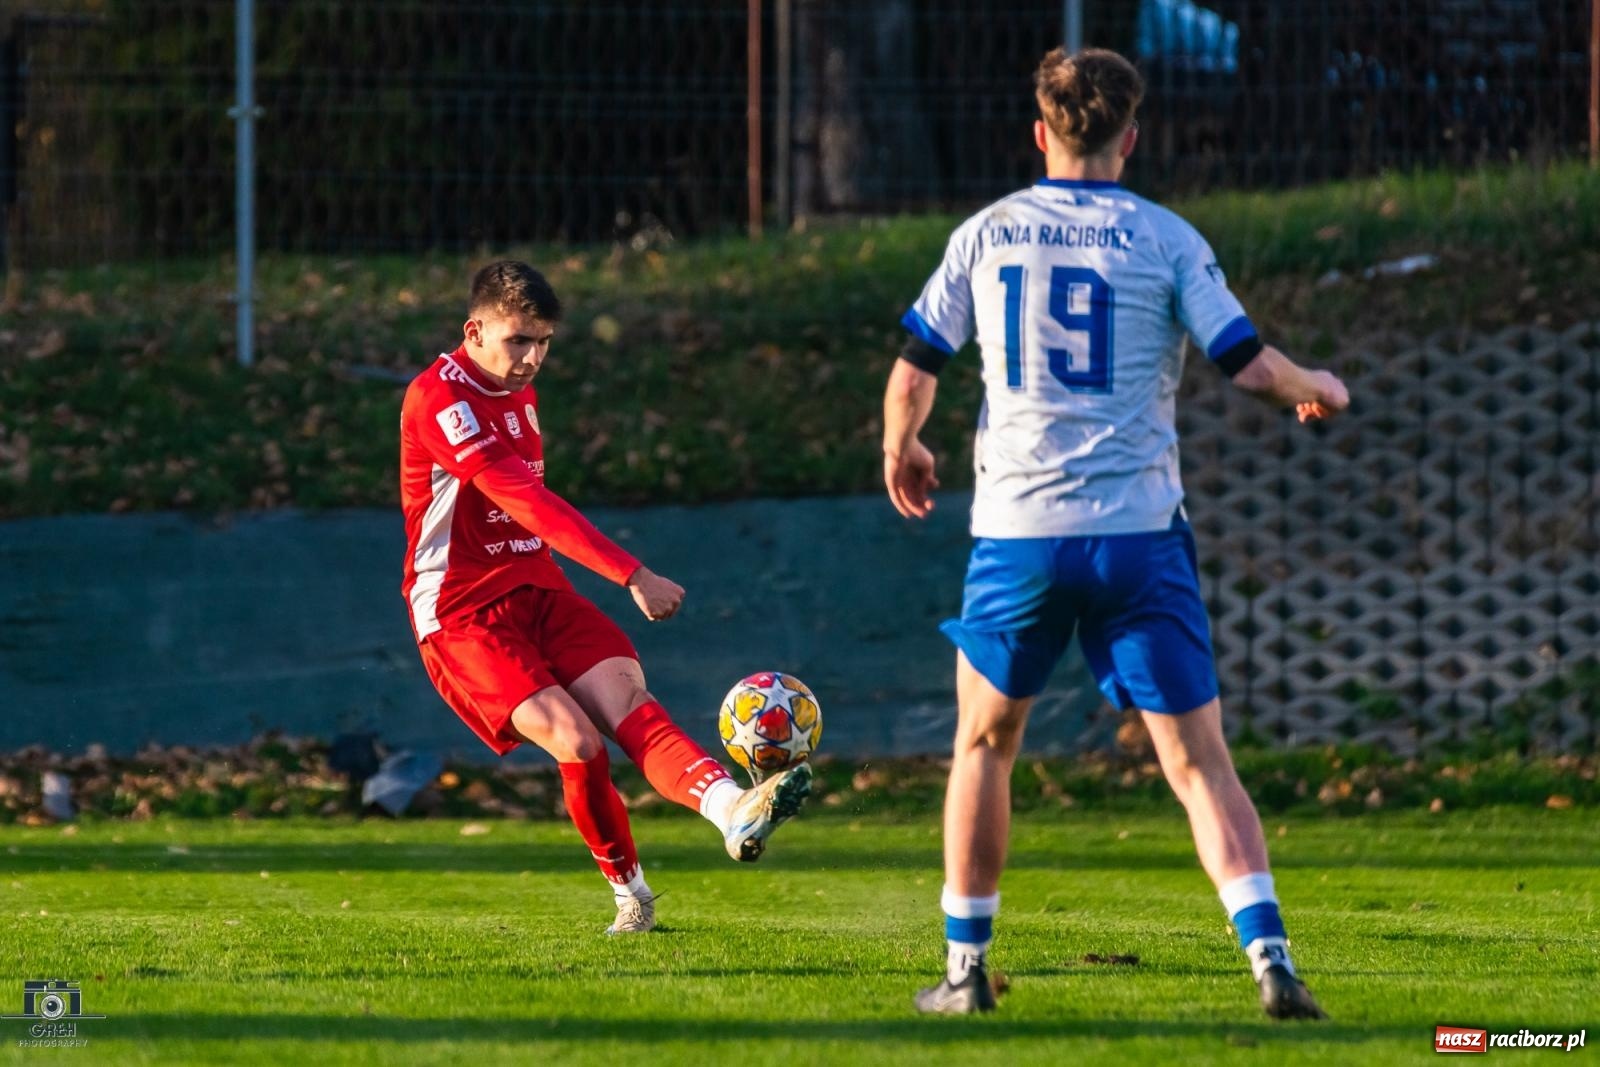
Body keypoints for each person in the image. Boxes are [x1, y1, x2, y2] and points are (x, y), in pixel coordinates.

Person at [882, 47, 1348, 1018]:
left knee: (984, 744)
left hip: (1019, 534)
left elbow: (917, 362)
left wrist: (905, 445)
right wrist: (1316, 387)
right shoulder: (1166, 237)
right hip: (1138, 535)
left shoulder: (989, 232)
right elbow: (1248, 363)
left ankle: (965, 972)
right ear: (1131, 139)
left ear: (1040, 135)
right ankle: (1269, 958)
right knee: (1197, 760)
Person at [400, 259, 812, 934]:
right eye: (518, 341)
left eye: (543, 342)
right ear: (473, 331)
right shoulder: (437, 398)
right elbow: (525, 500)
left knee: (629, 702)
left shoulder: (517, 391)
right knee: (576, 738)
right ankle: (632, 895)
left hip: (539, 591)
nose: (532, 358)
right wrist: (629, 572)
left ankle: (734, 807)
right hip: (461, 612)